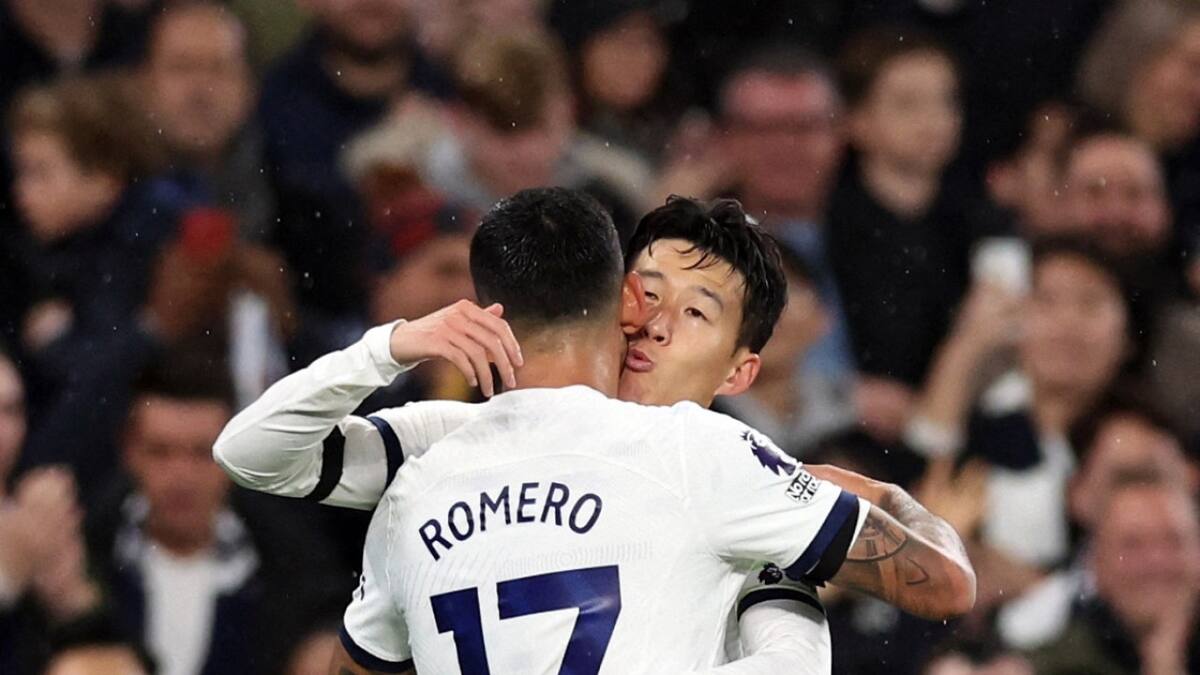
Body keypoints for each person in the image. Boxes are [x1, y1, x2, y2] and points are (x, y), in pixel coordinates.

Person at [216, 189, 975, 673]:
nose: (655, 322)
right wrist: (799, 568)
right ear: (616, 299)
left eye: (696, 312)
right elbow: (947, 582)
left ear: (740, 371)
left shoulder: (428, 475)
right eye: (648, 292)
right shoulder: (448, 442)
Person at [87, 355, 346, 675]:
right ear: (130, 452)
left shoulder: (289, 561)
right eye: (161, 452)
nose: (182, 477)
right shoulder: (85, 553)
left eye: (202, 453)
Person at [828, 26, 1002, 441]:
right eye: (907, 104)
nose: (933, 121)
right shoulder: (828, 224)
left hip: (963, 423)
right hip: (856, 434)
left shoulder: (980, 220)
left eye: (946, 101)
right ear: (856, 120)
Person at [1027, 478, 1200, 675]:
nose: (1157, 561)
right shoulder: (1052, 663)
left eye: (1174, 541)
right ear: (1095, 563)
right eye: (1133, 545)